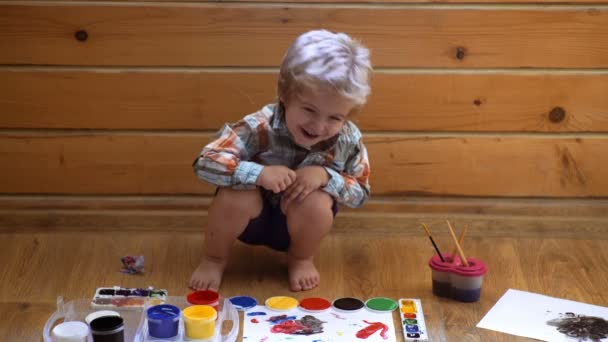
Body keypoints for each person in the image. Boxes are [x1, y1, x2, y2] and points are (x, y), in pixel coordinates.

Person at [190, 29, 372, 292]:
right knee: (234, 196)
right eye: (309, 109)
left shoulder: (347, 139)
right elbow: (205, 161)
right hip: (250, 218)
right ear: (285, 94)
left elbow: (361, 192)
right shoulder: (259, 126)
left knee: (317, 202)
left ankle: (300, 259)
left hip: (301, 223)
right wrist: (258, 174)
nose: (319, 126)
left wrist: (325, 177)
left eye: (335, 117)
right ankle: (213, 259)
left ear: (349, 114)